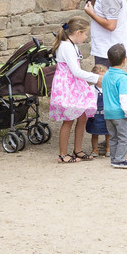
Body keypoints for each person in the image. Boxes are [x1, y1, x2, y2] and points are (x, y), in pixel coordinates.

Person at [84, 0, 127, 158]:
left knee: (107, 99)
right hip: (106, 50)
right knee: (106, 98)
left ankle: (113, 141)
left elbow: (111, 24)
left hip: (107, 53)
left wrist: (91, 13)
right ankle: (108, 140)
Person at [49, 17, 102, 162]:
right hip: (67, 86)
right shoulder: (66, 47)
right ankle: (62, 154)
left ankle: (77, 149)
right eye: (85, 34)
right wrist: (95, 77)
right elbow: (75, 71)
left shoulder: (72, 45)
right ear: (78, 33)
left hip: (75, 86)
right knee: (68, 120)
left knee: (82, 116)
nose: (86, 37)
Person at [100, 43, 127, 169]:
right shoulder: (122, 77)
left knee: (113, 137)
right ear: (125, 59)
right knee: (125, 138)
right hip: (119, 113)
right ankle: (119, 159)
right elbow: (123, 97)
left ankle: (114, 158)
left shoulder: (106, 75)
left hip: (108, 112)